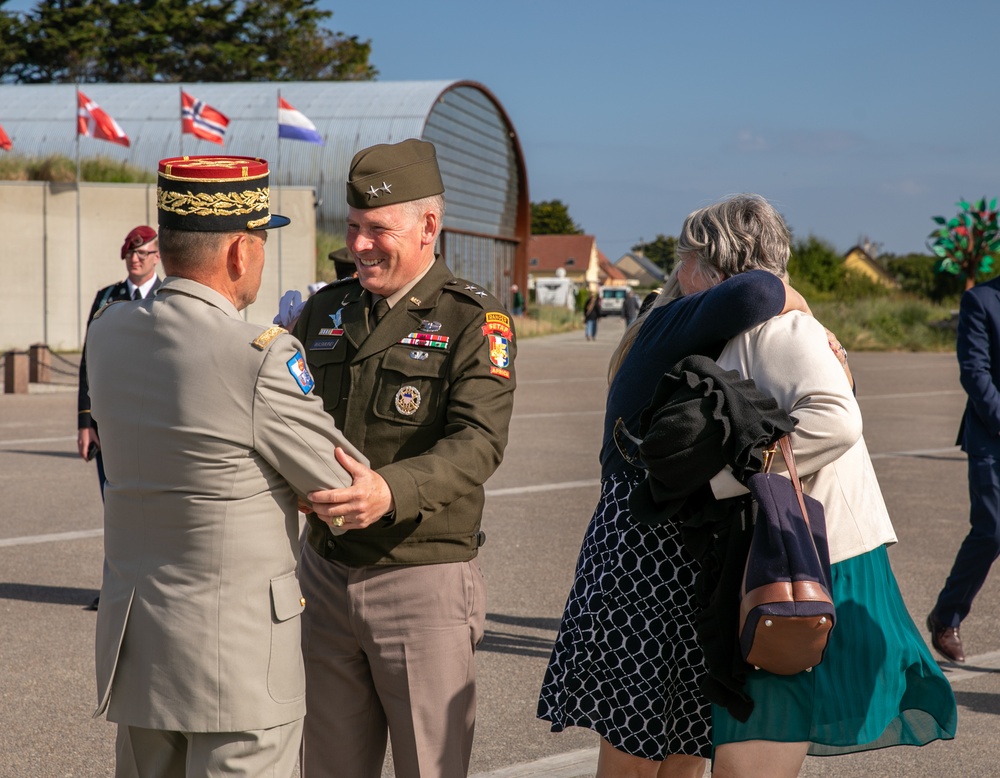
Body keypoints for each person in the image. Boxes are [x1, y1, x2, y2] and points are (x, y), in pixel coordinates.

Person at [656, 195, 955, 778]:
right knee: (761, 726)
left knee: (758, 737)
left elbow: (837, 421)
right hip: (800, 545)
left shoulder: (780, 329)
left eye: (684, 257)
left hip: (810, 553)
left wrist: (731, 478)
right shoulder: (762, 323)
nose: (677, 271)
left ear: (717, 266)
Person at [85, 155, 365, 778]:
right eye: (263, 242)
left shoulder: (107, 332)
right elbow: (345, 486)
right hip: (236, 666)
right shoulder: (259, 356)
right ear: (241, 252)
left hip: (140, 652)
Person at [291, 138, 517, 778]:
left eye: (377, 230)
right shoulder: (325, 309)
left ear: (428, 227)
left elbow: (479, 440)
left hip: (420, 580)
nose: (360, 245)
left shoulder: (473, 319)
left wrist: (388, 491)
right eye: (353, 228)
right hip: (325, 575)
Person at [538, 256, 812, 775]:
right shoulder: (669, 320)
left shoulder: (703, 330)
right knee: (635, 751)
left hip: (690, 557)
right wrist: (798, 302)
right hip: (645, 557)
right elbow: (755, 292)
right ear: (694, 272)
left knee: (686, 743)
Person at [928, 273, 1000, 662]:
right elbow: (975, 371)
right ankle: (946, 616)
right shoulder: (981, 300)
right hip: (992, 434)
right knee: (992, 529)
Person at [77, 225, 161, 500]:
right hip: (111, 421)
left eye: (141, 254)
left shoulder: (168, 297)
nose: (135, 260)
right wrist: (85, 422)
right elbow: (90, 361)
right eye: (130, 254)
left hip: (156, 421)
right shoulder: (106, 298)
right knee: (114, 500)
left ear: (157, 256)